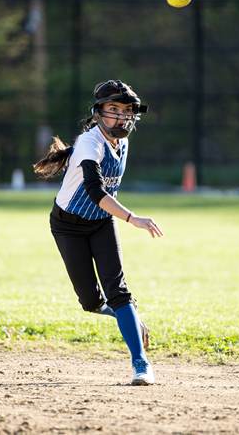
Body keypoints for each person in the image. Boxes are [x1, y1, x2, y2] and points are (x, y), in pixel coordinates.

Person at [33, 80, 164, 385]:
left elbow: (103, 200)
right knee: (90, 301)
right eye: (113, 110)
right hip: (67, 225)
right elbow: (94, 190)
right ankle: (128, 317)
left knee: (119, 291)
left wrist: (122, 218)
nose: (121, 117)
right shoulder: (89, 143)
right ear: (98, 114)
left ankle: (141, 364)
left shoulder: (124, 142)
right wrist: (133, 218)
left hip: (103, 222)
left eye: (126, 111)